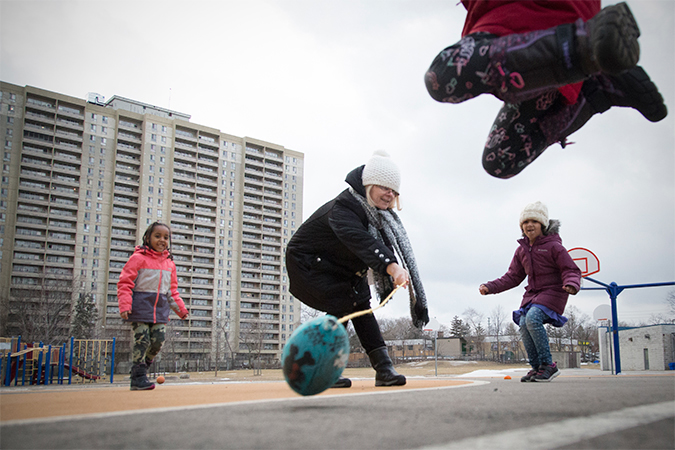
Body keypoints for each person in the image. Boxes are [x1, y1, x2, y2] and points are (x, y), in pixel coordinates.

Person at [424, 1, 667, 178]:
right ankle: (597, 90)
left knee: (444, 76)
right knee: (500, 159)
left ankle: (583, 48)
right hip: (540, 53)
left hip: (542, 16)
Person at [285, 150, 429, 388]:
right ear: (369, 185)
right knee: (344, 302)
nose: (390, 194)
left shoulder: (379, 217)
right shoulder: (344, 207)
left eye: (394, 190)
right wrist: (392, 268)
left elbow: (378, 245)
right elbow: (360, 240)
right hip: (309, 263)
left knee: (362, 305)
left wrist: (393, 267)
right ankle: (324, 370)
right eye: (384, 187)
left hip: (344, 267)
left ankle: (383, 370)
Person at [479, 202, 581, 382]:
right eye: (525, 222)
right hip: (533, 295)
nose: (529, 225)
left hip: (555, 292)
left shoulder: (554, 247)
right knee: (524, 323)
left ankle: (549, 365)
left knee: (533, 318)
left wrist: (572, 283)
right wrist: (490, 287)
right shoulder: (522, 251)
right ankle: (537, 368)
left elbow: (570, 269)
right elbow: (512, 276)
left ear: (543, 224)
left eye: (534, 221)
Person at [118, 222, 189, 390]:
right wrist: (125, 305)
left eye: (166, 237)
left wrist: (181, 310)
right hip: (140, 309)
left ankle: (142, 368)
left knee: (158, 342)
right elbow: (125, 283)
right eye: (157, 236)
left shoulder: (169, 264)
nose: (162, 240)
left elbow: (171, 291)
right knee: (142, 341)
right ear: (147, 238)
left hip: (160, 311)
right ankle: (138, 377)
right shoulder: (138, 258)